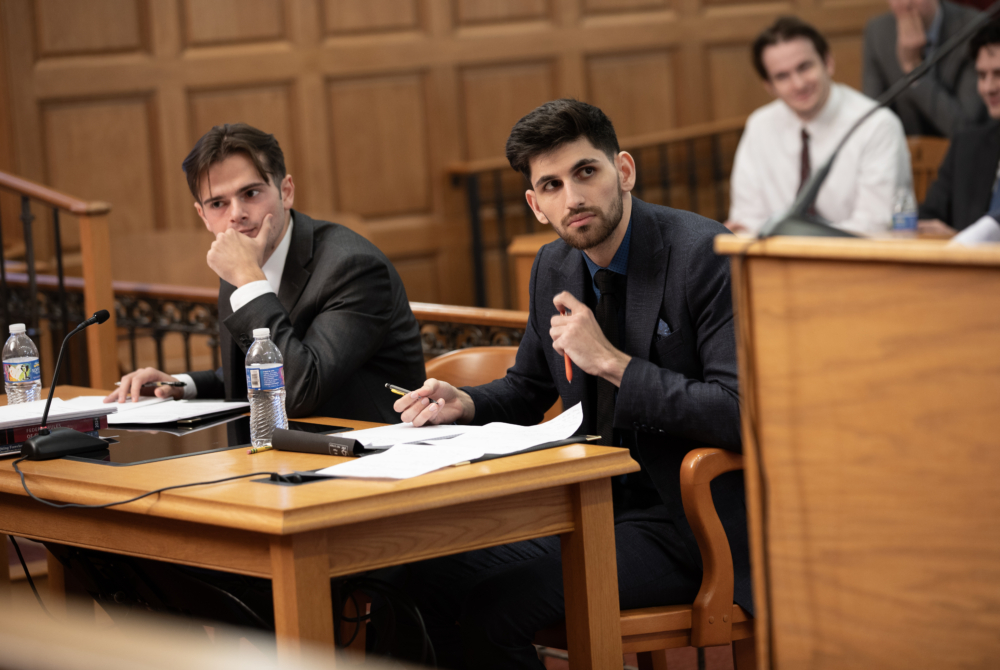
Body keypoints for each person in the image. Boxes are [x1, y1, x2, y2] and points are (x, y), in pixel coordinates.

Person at [388, 99, 750, 669]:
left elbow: (736, 413)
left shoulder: (702, 254)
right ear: (535, 205)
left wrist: (612, 363)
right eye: (551, 185)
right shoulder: (553, 265)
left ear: (623, 171)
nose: (573, 198)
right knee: (418, 580)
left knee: (495, 607)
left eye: (587, 172)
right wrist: (464, 403)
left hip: (686, 523)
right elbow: (528, 390)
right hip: (588, 507)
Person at [104, 123, 425, 422]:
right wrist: (180, 385)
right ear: (202, 215)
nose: (237, 215)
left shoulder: (352, 267)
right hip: (291, 454)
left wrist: (247, 279)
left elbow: (299, 391)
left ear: (286, 191)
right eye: (218, 204)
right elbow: (259, 369)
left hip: (369, 456)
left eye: (251, 194)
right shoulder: (243, 257)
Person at [725, 16, 912, 237]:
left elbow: (874, 226)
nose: (798, 84)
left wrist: (788, 239)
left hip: (857, 265)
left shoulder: (877, 124)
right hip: (777, 266)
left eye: (804, 67)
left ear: (828, 62)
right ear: (769, 86)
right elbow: (745, 222)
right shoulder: (759, 126)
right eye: (782, 76)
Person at [918, 19, 1000, 238]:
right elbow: (928, 216)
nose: (989, 87)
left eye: (998, 74)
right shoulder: (967, 145)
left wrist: (959, 241)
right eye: (982, 76)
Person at [863, 0, 985, 137]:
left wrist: (914, 69)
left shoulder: (973, 27)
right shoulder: (878, 32)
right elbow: (873, 121)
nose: (906, 4)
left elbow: (966, 129)